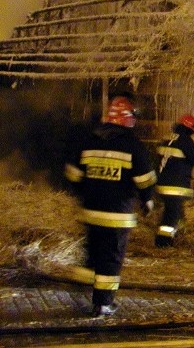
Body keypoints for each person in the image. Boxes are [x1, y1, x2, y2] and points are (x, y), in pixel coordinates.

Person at [64, 95, 156, 316]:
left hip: (90, 212)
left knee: (93, 251)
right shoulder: (133, 145)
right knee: (110, 259)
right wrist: (147, 200)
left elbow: (73, 175)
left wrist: (86, 194)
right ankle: (103, 303)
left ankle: (84, 281)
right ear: (129, 119)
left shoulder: (90, 140)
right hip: (117, 216)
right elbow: (145, 179)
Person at [154, 114, 194, 247]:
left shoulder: (167, 138)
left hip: (161, 183)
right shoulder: (185, 140)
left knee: (176, 213)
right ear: (190, 128)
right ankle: (163, 243)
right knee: (171, 216)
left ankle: (179, 237)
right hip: (175, 186)